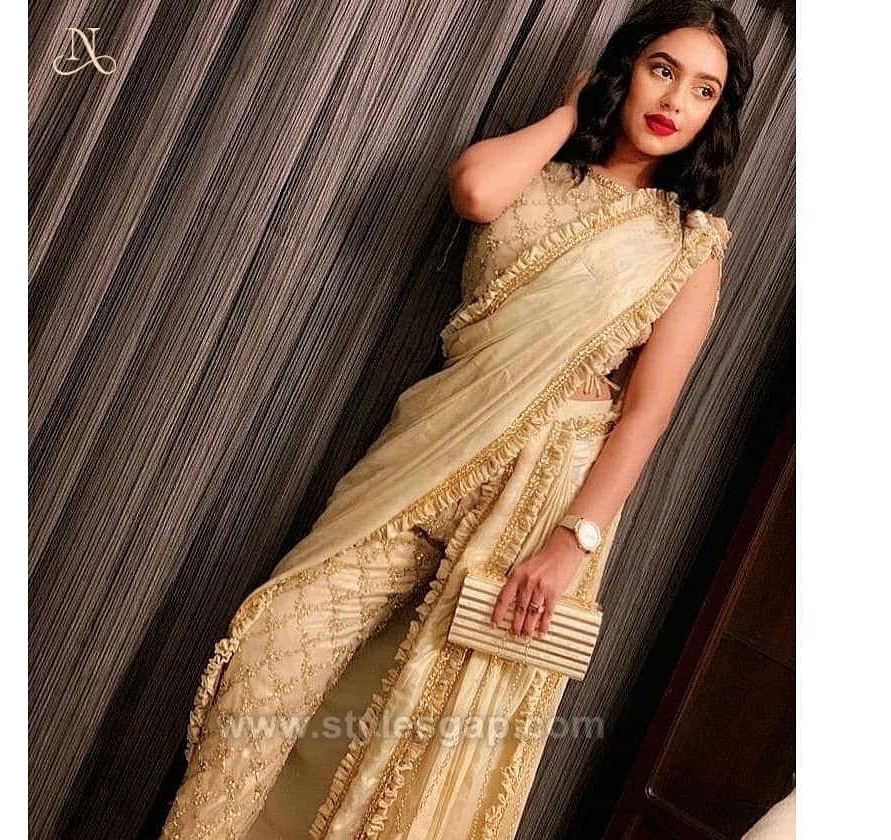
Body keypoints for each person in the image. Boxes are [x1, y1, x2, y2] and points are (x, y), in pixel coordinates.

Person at [159, 1, 753, 837]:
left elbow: (646, 417)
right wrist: (571, 110)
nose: (674, 101)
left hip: (541, 496)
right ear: (627, 70)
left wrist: (571, 544)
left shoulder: (688, 245)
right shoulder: (539, 174)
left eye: (703, 90)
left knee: (424, 737)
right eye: (662, 70)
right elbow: (476, 191)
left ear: (714, 115)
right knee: (273, 658)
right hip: (430, 453)